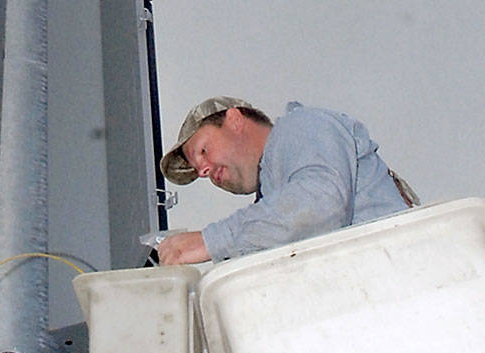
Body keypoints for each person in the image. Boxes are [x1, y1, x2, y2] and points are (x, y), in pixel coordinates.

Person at [155, 96, 414, 265]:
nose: (203, 171)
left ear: (234, 120)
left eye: (203, 151)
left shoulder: (300, 126)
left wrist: (211, 240)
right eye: (199, 170)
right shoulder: (269, 213)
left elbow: (320, 203)